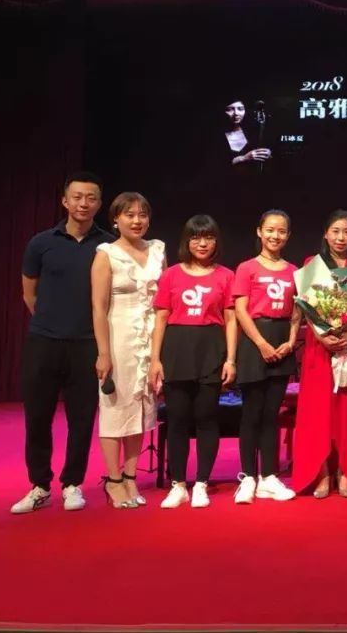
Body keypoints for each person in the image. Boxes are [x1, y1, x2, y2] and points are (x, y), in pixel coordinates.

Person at [11, 171, 114, 514]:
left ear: (99, 204)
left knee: (81, 419)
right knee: (37, 416)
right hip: (44, 342)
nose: (84, 203)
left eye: (91, 198)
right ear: (65, 201)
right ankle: (39, 485)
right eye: (77, 197)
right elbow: (29, 294)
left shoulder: (108, 247)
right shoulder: (41, 242)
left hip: (87, 344)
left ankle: (73, 484)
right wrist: (50, 321)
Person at [149, 215, 237, 509]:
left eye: (208, 237)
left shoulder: (226, 275)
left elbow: (230, 320)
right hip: (176, 349)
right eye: (196, 237)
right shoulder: (171, 275)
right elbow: (161, 318)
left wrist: (231, 359)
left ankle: (201, 483)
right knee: (177, 419)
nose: (202, 243)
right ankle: (178, 485)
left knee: (206, 418)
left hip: (211, 349)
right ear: (187, 241)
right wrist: (155, 360)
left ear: (216, 241)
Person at [91, 192, 165, 509]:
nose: (137, 221)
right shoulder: (106, 254)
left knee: (142, 409)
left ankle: (131, 476)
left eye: (142, 215)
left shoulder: (158, 250)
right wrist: (103, 352)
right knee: (115, 408)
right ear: (115, 220)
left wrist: (159, 350)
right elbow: (98, 308)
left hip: (150, 338)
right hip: (117, 337)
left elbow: (164, 302)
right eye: (129, 215)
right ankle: (113, 479)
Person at [292, 210, 347, 498]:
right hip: (319, 347)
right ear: (326, 234)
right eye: (336, 231)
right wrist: (321, 335)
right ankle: (322, 472)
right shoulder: (311, 265)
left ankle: (345, 472)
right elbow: (306, 306)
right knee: (319, 410)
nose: (341, 237)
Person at [232, 210, 300, 504]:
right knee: (252, 413)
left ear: (288, 236)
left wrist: (291, 342)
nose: (275, 236)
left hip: (282, 341)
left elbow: (297, 311)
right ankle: (248, 477)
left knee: (271, 414)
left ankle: (269, 477)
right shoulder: (246, 268)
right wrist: (260, 343)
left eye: (281, 231)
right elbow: (240, 310)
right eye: (270, 230)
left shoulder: (294, 271)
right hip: (254, 342)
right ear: (259, 231)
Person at [224, 98, 272, 168]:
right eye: (230, 109)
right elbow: (217, 164)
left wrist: (267, 153)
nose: (236, 113)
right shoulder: (216, 136)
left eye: (240, 109)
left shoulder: (250, 131)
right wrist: (244, 158)